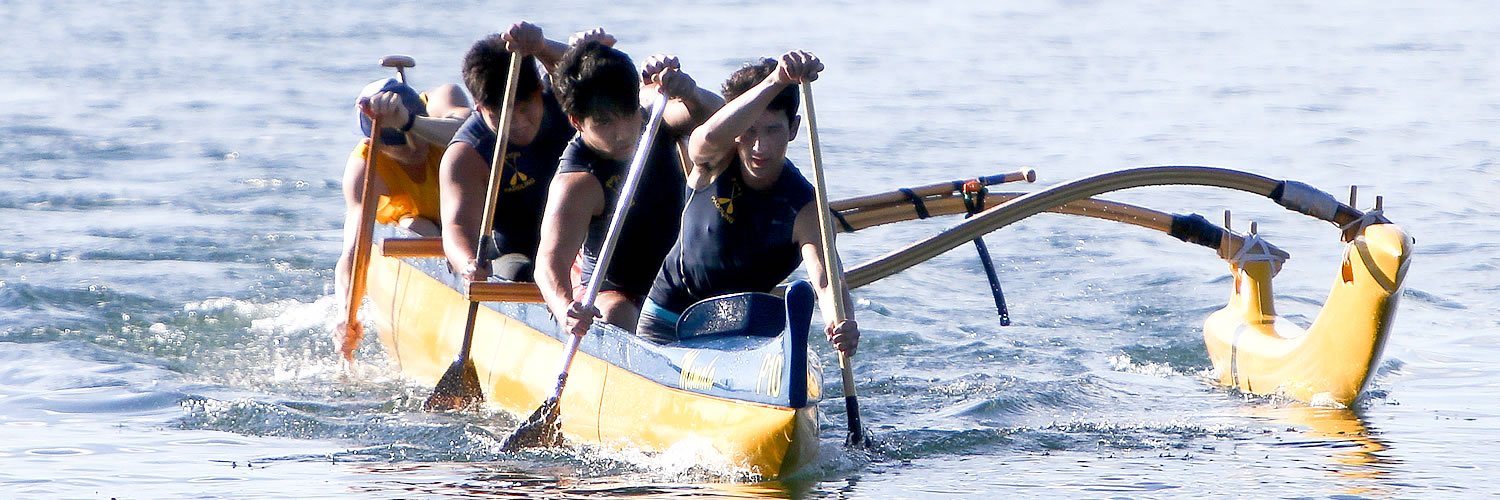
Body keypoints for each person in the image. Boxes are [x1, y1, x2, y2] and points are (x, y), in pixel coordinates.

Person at [636, 51, 859, 356]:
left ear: (793, 129)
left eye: (773, 130)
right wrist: (777, 80)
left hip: (738, 333)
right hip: (666, 323)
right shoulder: (714, 159)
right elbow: (709, 134)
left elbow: (826, 281)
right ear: (737, 129)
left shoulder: (805, 207)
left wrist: (841, 322)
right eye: (750, 130)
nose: (759, 147)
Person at [535, 40, 723, 337]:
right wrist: (564, 310)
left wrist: (691, 93)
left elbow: (718, 119)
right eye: (605, 122)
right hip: (617, 290)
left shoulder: (652, 116)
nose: (623, 132)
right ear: (576, 122)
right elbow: (548, 262)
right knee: (617, 313)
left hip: (677, 281)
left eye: (628, 114)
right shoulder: (578, 179)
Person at [333, 76, 472, 362]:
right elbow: (354, 249)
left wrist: (410, 124)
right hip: (423, 224)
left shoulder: (444, 97)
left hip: (470, 215)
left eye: (418, 141)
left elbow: (476, 132)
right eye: (401, 152)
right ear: (376, 145)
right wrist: (347, 315)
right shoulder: (365, 167)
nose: (416, 153)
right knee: (419, 229)